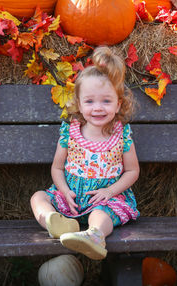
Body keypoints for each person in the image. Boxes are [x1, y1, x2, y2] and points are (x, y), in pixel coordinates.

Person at [30, 46, 140, 260]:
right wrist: (63, 191)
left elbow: (132, 171)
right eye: (90, 101)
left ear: (118, 105)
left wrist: (110, 191)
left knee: (100, 215)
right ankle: (54, 221)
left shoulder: (122, 133)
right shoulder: (69, 131)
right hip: (70, 198)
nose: (98, 108)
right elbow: (57, 167)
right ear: (79, 104)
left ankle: (94, 235)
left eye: (106, 101)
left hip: (104, 199)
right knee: (38, 197)